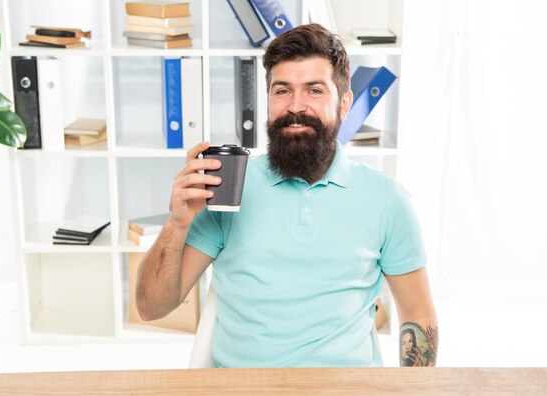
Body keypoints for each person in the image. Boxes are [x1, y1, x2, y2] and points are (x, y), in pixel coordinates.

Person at [136, 24, 438, 368]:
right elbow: (151, 308)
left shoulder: (387, 199)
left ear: (344, 104)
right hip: (244, 390)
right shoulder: (228, 188)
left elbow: (418, 316)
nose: (296, 107)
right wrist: (177, 224)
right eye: (282, 91)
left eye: (314, 90)